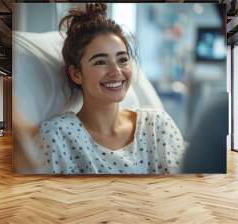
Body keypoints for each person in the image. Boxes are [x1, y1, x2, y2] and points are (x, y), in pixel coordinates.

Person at [36, 3, 186, 174]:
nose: (116, 71)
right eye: (100, 62)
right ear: (76, 74)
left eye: (122, 60)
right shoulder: (57, 136)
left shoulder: (157, 125)